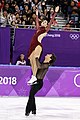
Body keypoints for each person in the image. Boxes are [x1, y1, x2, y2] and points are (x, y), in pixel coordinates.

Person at [27, 6, 59, 85]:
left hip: (38, 45)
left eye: (45, 22)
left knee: (35, 59)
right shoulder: (38, 29)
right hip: (32, 45)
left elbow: (51, 21)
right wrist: (37, 15)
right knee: (31, 60)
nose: (44, 23)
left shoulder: (46, 29)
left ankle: (34, 76)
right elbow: (37, 22)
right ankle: (34, 77)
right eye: (43, 22)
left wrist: (55, 12)